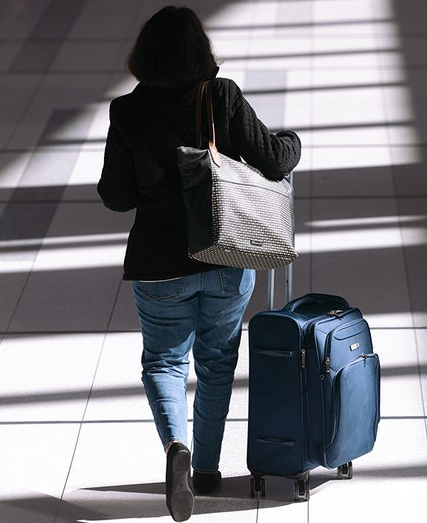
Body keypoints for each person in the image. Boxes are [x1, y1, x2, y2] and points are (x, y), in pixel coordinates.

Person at [96, 6, 302, 522]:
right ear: (200, 52)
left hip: (158, 263)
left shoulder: (127, 111)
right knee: (217, 363)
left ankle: (176, 450)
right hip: (227, 254)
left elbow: (116, 197)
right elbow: (274, 159)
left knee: (164, 362)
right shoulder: (222, 96)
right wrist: (293, 142)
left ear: (144, 55)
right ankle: (206, 469)